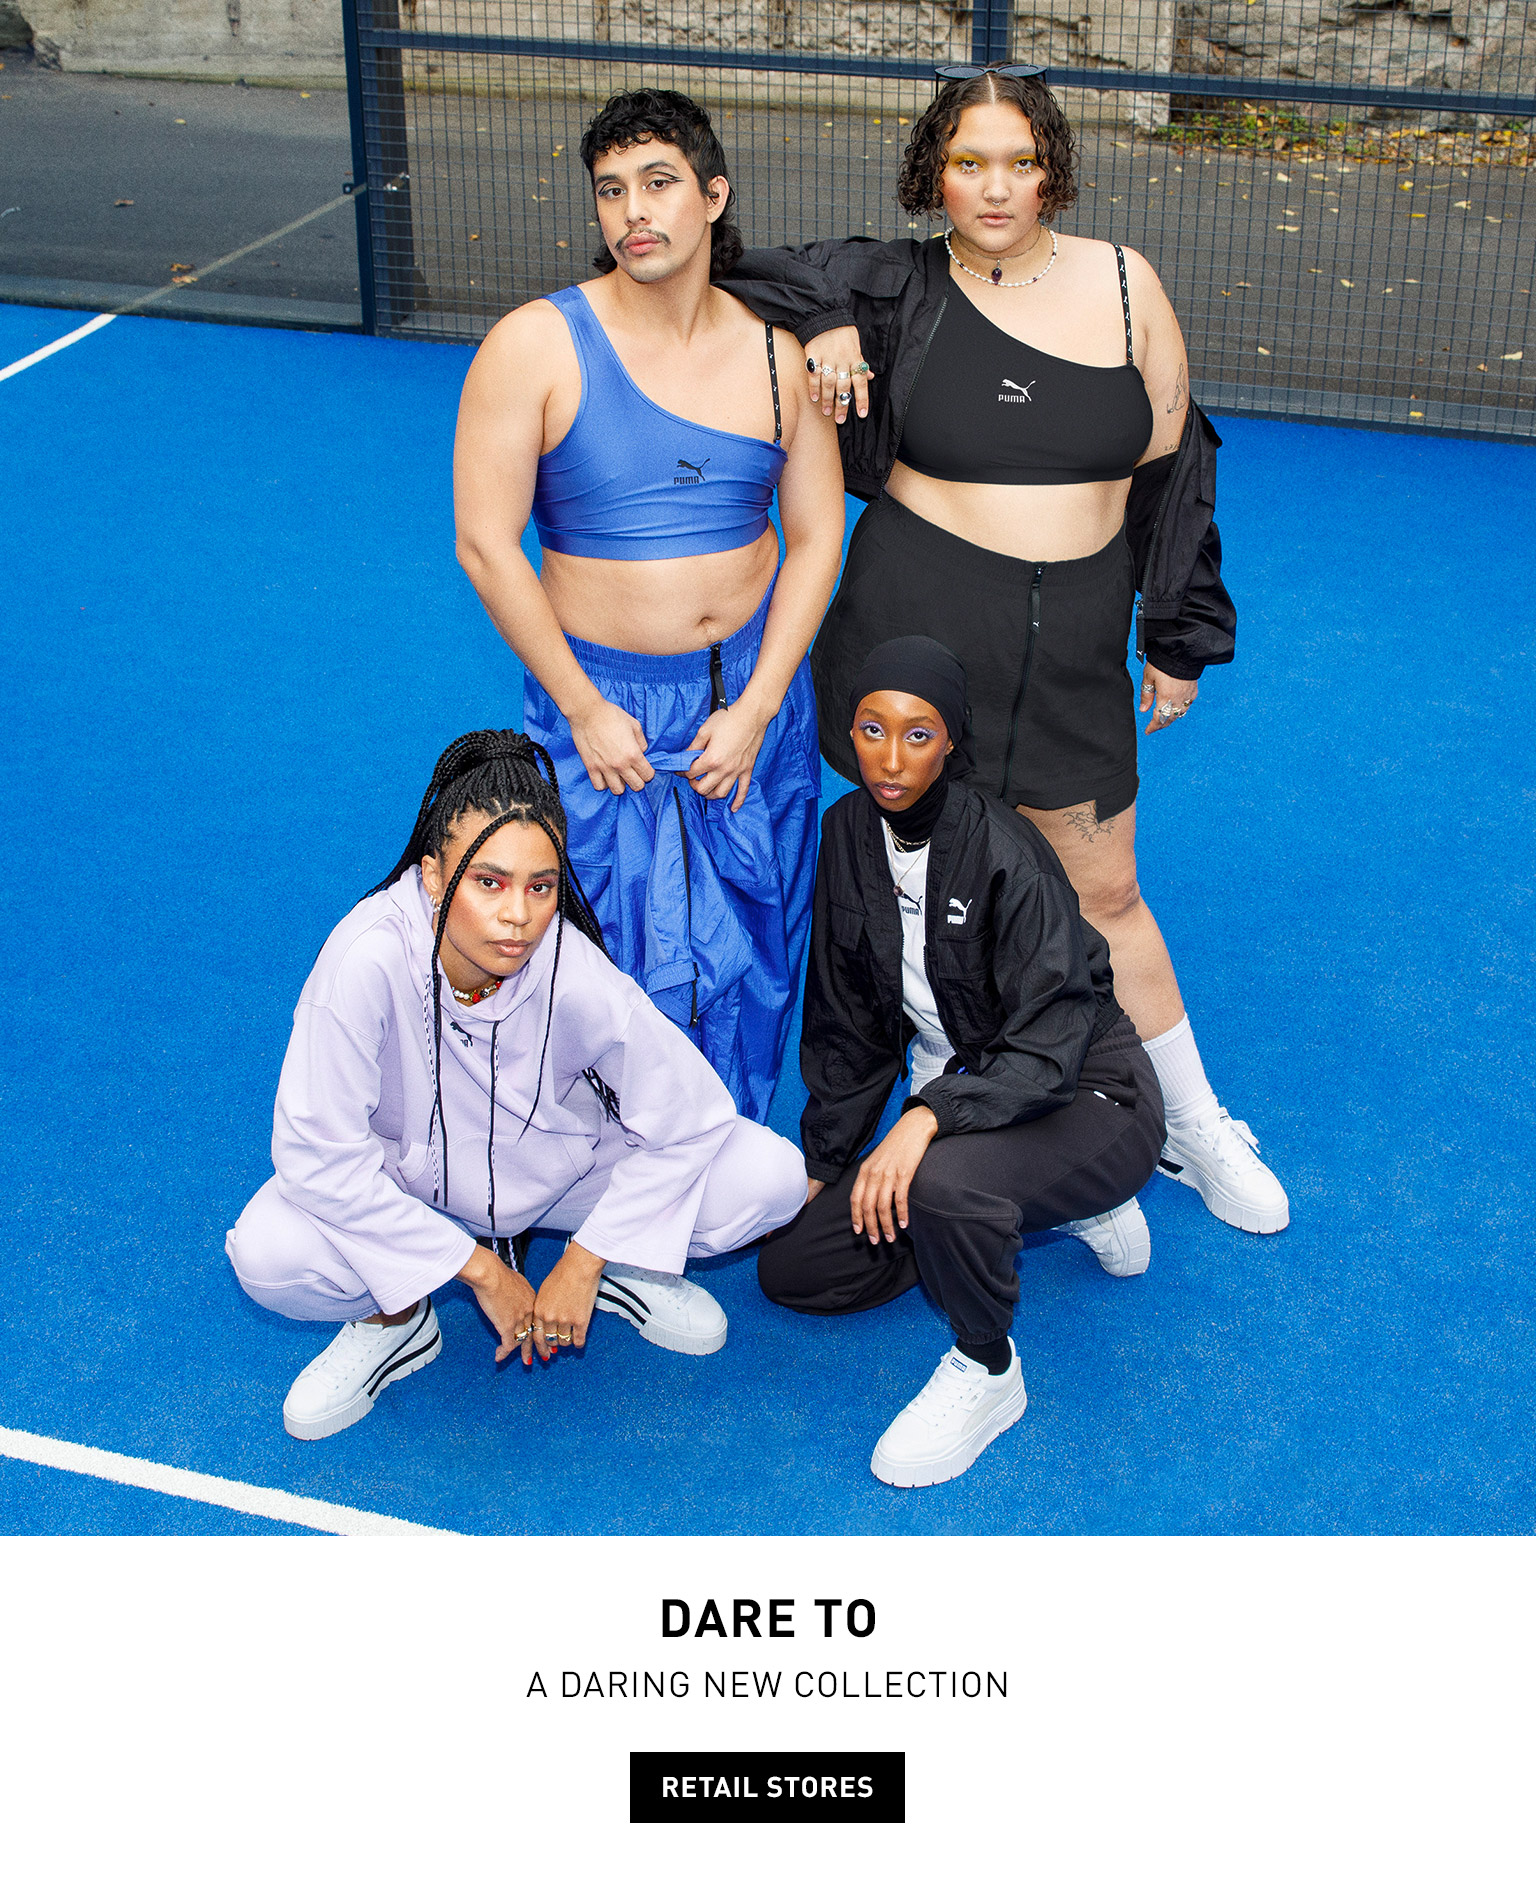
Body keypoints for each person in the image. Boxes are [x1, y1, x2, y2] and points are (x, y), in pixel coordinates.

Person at [720, 64, 1288, 1234]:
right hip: (920, 627)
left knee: (1105, 890)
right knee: (941, 892)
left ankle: (1188, 1123)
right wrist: (827, 319)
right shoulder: (892, 283)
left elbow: (1178, 467)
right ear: (935, 172)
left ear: (1052, 173)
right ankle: (987, 1121)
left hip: (1076, 636)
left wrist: (1177, 632)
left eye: (1019, 162)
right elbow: (730, 265)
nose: (994, 187)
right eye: (968, 162)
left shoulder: (1126, 284)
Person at [226, 730, 807, 1441]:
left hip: (562, 1179)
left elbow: (693, 1114)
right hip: (410, 1184)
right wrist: (477, 1269)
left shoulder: (569, 964)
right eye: (489, 882)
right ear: (434, 875)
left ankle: (626, 1265)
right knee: (270, 1252)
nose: (518, 916)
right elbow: (316, 1157)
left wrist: (588, 1257)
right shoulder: (364, 961)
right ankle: (395, 1317)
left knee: (769, 1176)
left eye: (541, 886)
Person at [453, 89, 845, 1124]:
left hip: (751, 703)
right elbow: (487, 544)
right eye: (611, 189)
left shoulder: (780, 355)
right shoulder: (534, 346)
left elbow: (816, 536)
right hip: (604, 711)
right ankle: (602, 1177)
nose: (634, 210)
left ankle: (719, 1154)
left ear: (713, 197)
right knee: (605, 954)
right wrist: (581, 707)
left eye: (660, 183)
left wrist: (760, 706)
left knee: (755, 946)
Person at [757, 639, 1165, 1488]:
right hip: (970, 1099)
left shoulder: (1005, 850)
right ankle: (1013, 1203)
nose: (890, 758)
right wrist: (826, 1165)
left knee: (940, 1181)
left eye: (918, 734)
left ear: (950, 742)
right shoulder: (847, 833)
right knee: (797, 1269)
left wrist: (928, 1118)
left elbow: (1053, 1037)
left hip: (1088, 1092)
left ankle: (988, 1367)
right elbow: (847, 1020)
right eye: (872, 729)